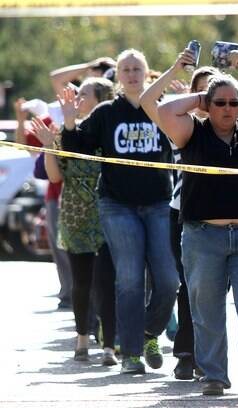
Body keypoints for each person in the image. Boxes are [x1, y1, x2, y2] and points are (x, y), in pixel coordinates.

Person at [140, 45, 238, 381]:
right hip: (203, 236)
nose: (229, 109)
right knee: (206, 310)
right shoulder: (191, 133)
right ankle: (213, 375)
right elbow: (159, 107)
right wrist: (202, 97)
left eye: (234, 103)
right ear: (206, 106)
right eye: (220, 103)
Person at [60, 49, 180, 375]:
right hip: (116, 205)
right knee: (129, 278)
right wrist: (70, 122)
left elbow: (185, 138)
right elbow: (77, 149)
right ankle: (131, 353)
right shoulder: (106, 112)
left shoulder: (160, 107)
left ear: (147, 73)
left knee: (168, 280)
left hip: (157, 203)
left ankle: (147, 333)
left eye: (136, 68)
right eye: (125, 69)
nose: (130, 73)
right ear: (118, 76)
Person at [31, 77, 119, 366]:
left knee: (107, 281)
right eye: (76, 95)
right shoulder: (67, 133)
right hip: (75, 215)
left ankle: (109, 345)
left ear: (102, 100)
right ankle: (82, 339)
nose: (77, 100)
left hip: (108, 213)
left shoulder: (109, 131)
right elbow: (54, 177)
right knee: (81, 282)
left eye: (84, 95)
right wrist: (49, 147)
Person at [13, 98, 72, 309]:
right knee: (59, 248)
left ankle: (82, 297)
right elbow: (22, 143)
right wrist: (21, 119)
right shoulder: (51, 121)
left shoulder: (89, 121)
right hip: (55, 197)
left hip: (82, 199)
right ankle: (68, 294)